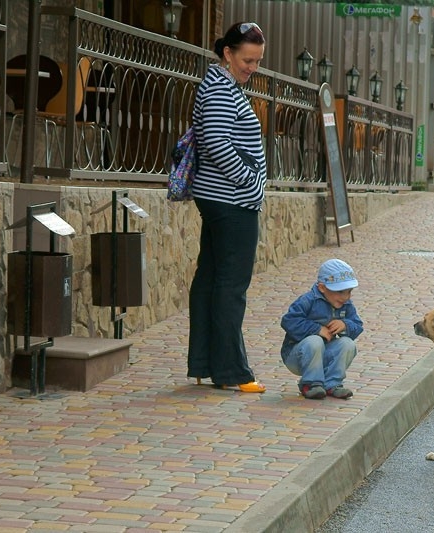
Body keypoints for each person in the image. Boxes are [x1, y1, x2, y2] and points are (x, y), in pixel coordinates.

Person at [187, 22, 268, 393]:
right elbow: (217, 143)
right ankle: (232, 371)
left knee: (211, 279)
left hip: (221, 198)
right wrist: (251, 182)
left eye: (256, 61)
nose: (251, 67)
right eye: (247, 60)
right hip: (230, 200)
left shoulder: (221, 85)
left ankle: (206, 364)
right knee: (231, 285)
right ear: (228, 53)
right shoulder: (221, 88)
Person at [280, 259, 364, 400]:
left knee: (347, 344)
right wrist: (316, 329)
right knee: (315, 341)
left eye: (349, 292)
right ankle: (311, 384)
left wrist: (345, 325)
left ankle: (333, 384)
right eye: (340, 291)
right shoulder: (308, 300)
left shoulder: (346, 305)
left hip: (325, 354)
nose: (345, 297)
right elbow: (289, 321)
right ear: (322, 288)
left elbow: (357, 325)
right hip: (297, 356)